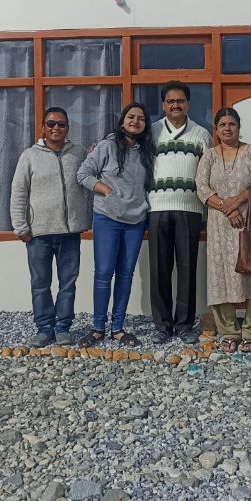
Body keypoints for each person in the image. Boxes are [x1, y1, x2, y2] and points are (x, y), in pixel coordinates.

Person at [10, 107, 93, 346]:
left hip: (70, 233)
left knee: (68, 283)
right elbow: (19, 192)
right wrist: (21, 226)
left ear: (68, 128)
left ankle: (63, 327)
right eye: (51, 123)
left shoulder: (78, 153)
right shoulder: (29, 156)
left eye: (61, 124)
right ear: (43, 128)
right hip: (39, 234)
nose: (56, 128)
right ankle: (44, 328)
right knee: (40, 284)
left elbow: (91, 175)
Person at [76, 102, 154, 347]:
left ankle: (118, 328)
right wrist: (106, 190)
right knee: (103, 273)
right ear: (122, 121)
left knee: (125, 274)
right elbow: (83, 174)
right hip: (107, 218)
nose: (135, 121)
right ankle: (98, 327)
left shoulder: (146, 152)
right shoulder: (107, 146)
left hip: (135, 221)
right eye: (131, 117)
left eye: (141, 118)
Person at [195, 108, 251, 352]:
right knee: (220, 277)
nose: (227, 128)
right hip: (219, 226)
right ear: (216, 129)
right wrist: (228, 209)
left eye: (232, 124)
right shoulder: (209, 156)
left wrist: (236, 202)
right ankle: (228, 332)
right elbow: (202, 188)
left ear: (239, 126)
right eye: (222, 124)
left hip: (249, 223)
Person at [148, 81, 212, 344]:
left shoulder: (201, 134)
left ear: (188, 104)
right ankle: (162, 325)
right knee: (159, 270)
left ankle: (184, 324)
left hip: (190, 209)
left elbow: (208, 173)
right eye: (170, 101)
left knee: (187, 269)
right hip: (157, 208)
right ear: (163, 105)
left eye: (180, 101)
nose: (176, 105)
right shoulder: (151, 132)